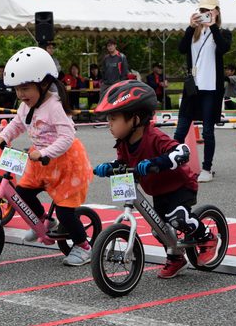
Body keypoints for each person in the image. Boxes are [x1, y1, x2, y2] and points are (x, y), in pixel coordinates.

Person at [93, 80, 222, 278]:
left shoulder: (154, 137)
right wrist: (109, 167)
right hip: (158, 190)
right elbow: (122, 162)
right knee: (158, 227)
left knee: (177, 218)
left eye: (113, 118)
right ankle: (176, 257)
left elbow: (181, 150)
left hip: (180, 185)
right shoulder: (123, 143)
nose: (109, 123)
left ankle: (207, 237)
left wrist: (158, 162)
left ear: (135, 119)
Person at [0, 46, 94, 266]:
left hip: (66, 163)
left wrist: (45, 152)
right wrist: (3, 136)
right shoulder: (25, 105)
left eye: (25, 89)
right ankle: (44, 222)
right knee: (22, 195)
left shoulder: (54, 106)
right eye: (17, 90)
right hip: (40, 160)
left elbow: (67, 137)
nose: (21, 95)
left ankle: (84, 247)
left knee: (66, 211)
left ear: (44, 83)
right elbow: (17, 124)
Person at [175, 0, 231, 183]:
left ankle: (207, 168)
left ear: (217, 11)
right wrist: (191, 27)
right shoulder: (193, 33)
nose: (205, 14)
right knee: (180, 129)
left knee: (208, 131)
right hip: (193, 87)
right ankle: (172, 165)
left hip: (211, 88)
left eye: (209, 10)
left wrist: (213, 25)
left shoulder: (222, 33)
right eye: (202, 11)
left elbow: (223, 48)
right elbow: (181, 49)